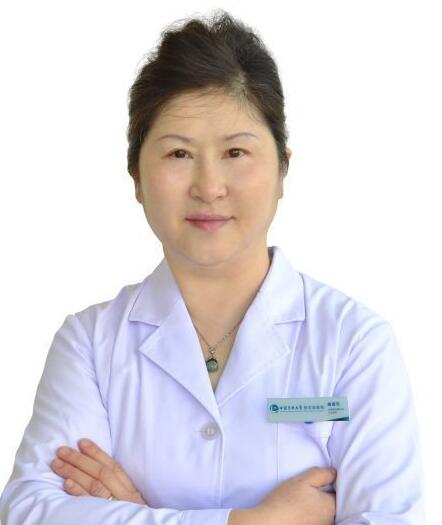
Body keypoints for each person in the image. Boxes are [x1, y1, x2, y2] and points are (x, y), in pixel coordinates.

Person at [0, 9, 425, 525]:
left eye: (235, 152)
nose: (208, 186)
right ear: (136, 178)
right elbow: (29, 512)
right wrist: (252, 522)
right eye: (179, 154)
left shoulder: (354, 343)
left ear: (283, 168)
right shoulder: (90, 344)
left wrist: (135, 515)